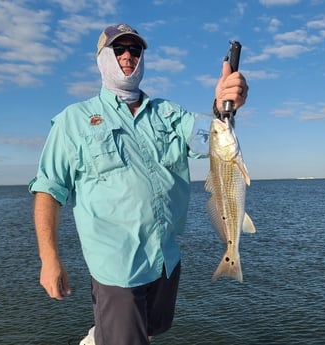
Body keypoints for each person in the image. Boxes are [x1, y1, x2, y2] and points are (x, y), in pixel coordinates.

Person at [29, 23, 248, 345]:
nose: (128, 55)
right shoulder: (73, 119)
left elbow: (211, 139)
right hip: (117, 265)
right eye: (119, 49)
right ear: (102, 58)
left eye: (135, 49)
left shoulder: (167, 113)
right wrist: (49, 260)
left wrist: (223, 107)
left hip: (166, 258)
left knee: (150, 330)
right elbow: (49, 190)